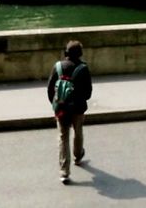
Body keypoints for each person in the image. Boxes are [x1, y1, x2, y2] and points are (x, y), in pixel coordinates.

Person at [47, 39, 93, 184]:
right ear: (80, 54)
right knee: (78, 131)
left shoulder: (58, 67)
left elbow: (50, 89)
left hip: (61, 108)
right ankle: (78, 156)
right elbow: (88, 93)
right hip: (78, 108)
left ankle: (64, 171)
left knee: (63, 137)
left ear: (66, 52)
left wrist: (56, 104)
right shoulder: (83, 68)